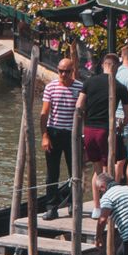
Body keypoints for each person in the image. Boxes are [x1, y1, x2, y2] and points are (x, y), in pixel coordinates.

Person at [40, 55, 82, 212]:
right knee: (52, 173)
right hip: (54, 132)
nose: (63, 74)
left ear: (72, 71)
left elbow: (83, 113)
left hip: (73, 134)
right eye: (61, 71)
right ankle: (51, 207)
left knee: (75, 172)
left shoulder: (80, 87)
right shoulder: (50, 87)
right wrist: (44, 136)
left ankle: (73, 204)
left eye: (67, 71)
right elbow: (44, 113)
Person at [96, 166, 128, 255]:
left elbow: (102, 220)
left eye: (99, 190)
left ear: (103, 187)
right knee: (121, 254)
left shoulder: (107, 196)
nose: (100, 192)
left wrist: (98, 237)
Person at [80, 52, 114, 165]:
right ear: (116, 66)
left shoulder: (88, 82)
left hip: (89, 129)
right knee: (107, 166)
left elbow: (79, 105)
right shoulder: (118, 86)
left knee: (96, 166)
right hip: (105, 130)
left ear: (103, 65)